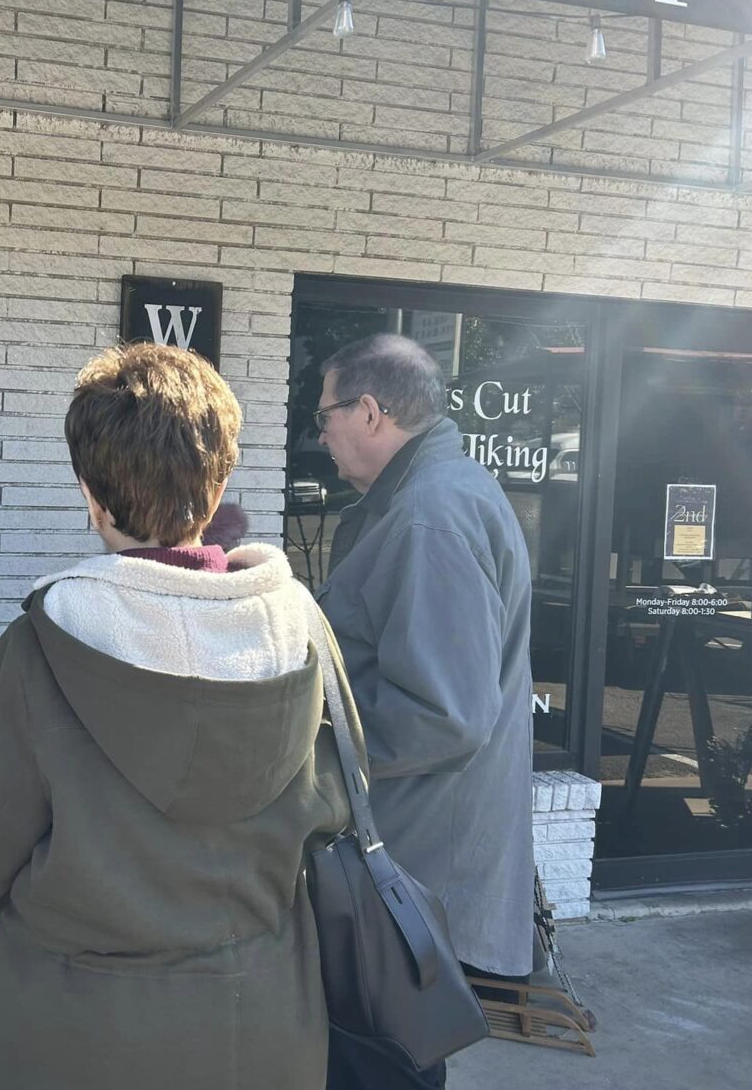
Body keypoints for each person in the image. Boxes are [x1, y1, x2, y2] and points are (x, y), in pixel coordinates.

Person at [0, 342, 359, 1090]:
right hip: (263, 1026)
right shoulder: (301, 633)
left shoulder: (42, 649)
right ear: (216, 490)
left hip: (72, 1034)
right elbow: (342, 810)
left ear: (92, 495)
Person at [313, 333, 534, 1090]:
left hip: (405, 868)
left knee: (382, 1064)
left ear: (369, 412)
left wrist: (309, 733)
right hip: (410, 861)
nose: (323, 435)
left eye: (325, 417)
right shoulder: (438, 493)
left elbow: (444, 714)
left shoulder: (427, 514)